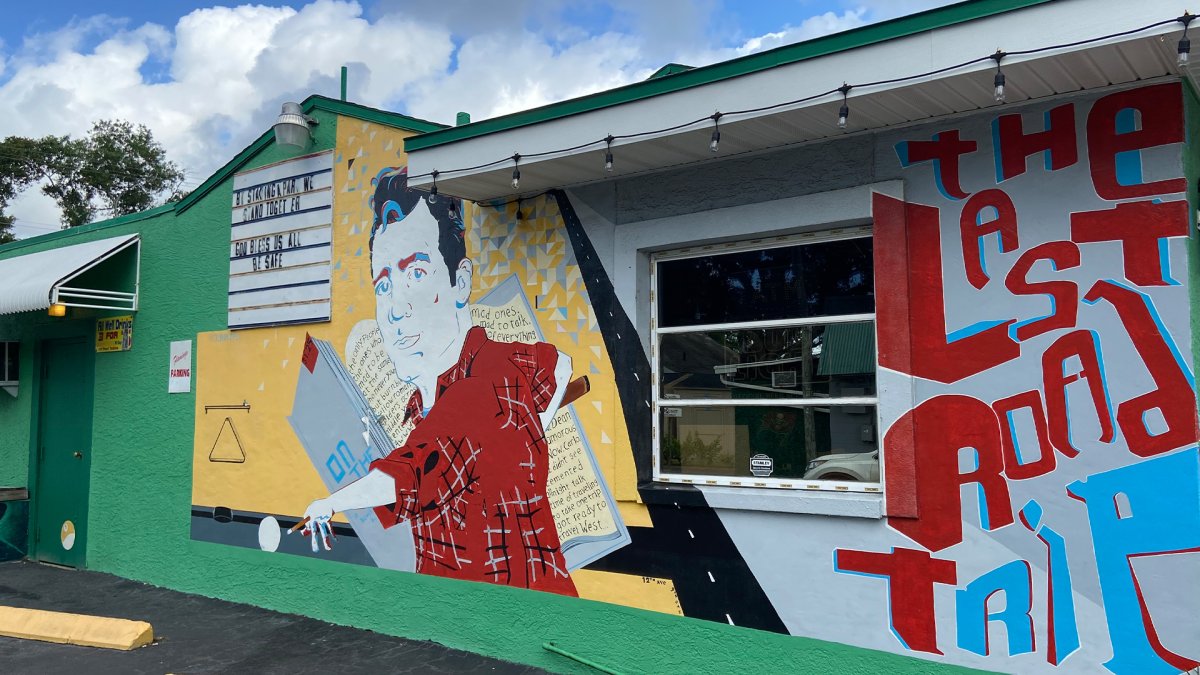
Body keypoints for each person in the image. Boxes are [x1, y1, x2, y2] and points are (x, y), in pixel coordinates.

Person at [301, 168, 577, 596]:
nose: (394, 309)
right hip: (455, 616)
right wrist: (532, 424)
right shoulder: (486, 376)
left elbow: (404, 476)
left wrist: (329, 503)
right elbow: (559, 364)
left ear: (461, 282)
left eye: (415, 274)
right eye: (384, 284)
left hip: (516, 620)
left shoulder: (482, 388)